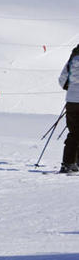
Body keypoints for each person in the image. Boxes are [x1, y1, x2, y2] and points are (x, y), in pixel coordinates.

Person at [58, 44, 79, 173]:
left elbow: (62, 80)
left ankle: (68, 163)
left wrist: (71, 89)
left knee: (74, 132)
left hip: (72, 101)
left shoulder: (73, 59)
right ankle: (73, 162)